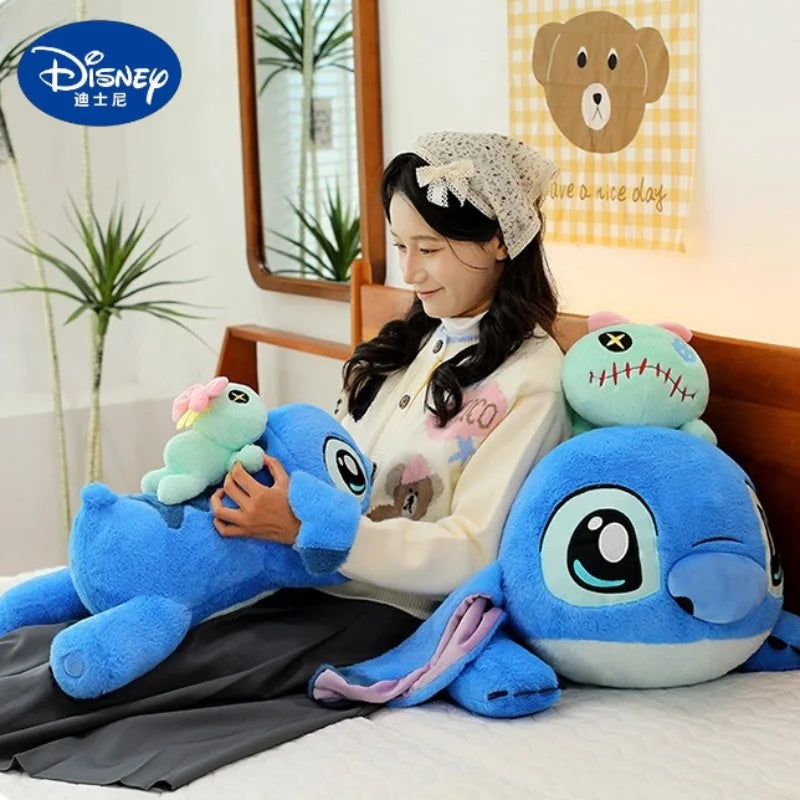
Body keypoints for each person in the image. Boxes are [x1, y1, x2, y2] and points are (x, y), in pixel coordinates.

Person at [0, 132, 571, 791]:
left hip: (382, 610)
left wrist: (310, 529)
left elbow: (474, 550)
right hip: (292, 573)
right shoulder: (416, 346)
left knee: (155, 673)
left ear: (500, 241)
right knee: (94, 622)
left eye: (430, 249)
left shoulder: (531, 381)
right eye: (401, 246)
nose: (409, 273)